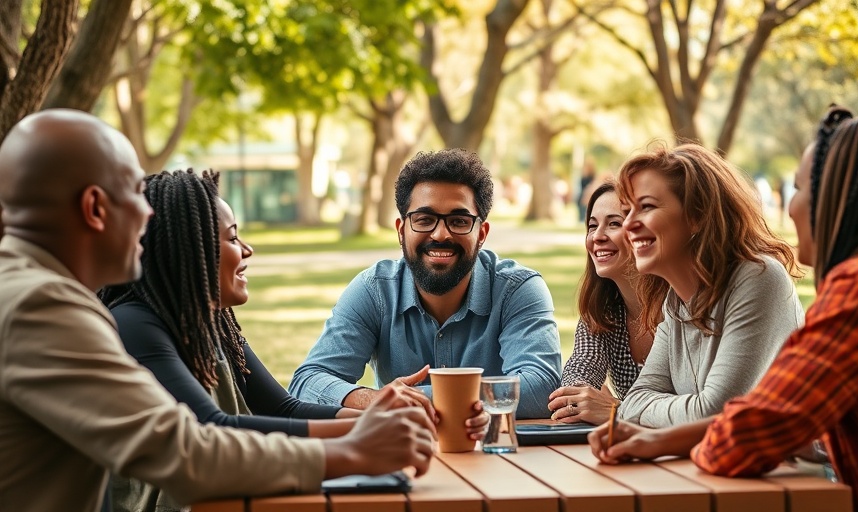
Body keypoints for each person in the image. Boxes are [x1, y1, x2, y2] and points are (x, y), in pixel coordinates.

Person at [0, 109, 434, 512]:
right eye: (134, 192)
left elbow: (270, 412)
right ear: (95, 208)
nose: (148, 214)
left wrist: (370, 424)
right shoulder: (41, 307)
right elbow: (184, 449)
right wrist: (354, 449)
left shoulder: (30, 291)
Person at [99, 169, 481, 511]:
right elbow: (214, 430)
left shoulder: (211, 323)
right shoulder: (135, 324)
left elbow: (285, 410)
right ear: (189, 249)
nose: (247, 250)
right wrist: (363, 435)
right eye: (232, 238)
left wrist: (382, 417)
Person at [590, 109, 858, 512]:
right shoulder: (675, 299)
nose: (790, 207)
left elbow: (746, 432)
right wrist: (662, 432)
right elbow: (637, 403)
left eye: (800, 188)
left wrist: (662, 435)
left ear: (838, 198)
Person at [289, 148, 562, 419]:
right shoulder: (374, 290)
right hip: (401, 445)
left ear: (481, 234)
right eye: (424, 220)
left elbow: (541, 388)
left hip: (496, 447)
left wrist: (411, 400)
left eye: (459, 221)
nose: (441, 234)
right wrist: (372, 400)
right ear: (401, 231)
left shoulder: (518, 289)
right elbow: (307, 382)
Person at [615, 143, 804, 427]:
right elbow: (633, 401)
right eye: (627, 211)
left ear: (698, 216)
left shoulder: (759, 279)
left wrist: (658, 410)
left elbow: (714, 413)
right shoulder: (676, 302)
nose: (628, 225)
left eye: (646, 207)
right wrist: (686, 409)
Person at [547, 181, 657, 425]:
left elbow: (696, 406)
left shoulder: (679, 306)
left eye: (614, 223)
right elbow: (579, 372)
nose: (597, 236)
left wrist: (617, 409)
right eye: (592, 226)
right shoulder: (603, 311)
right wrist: (581, 396)